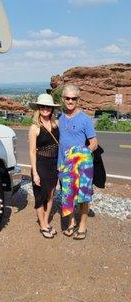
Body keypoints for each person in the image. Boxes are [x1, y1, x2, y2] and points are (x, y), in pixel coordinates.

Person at [58, 84, 98, 240]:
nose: (70, 101)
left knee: (83, 197)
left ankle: (83, 225)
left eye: (73, 98)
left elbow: (93, 142)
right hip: (63, 166)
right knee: (67, 195)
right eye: (67, 98)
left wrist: (81, 153)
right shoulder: (59, 117)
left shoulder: (85, 119)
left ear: (78, 100)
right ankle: (71, 223)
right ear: (63, 99)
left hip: (81, 166)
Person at [29, 93, 60, 239]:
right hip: (40, 165)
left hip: (54, 165)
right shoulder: (35, 127)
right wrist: (35, 173)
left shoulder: (56, 124)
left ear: (52, 109)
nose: (45, 109)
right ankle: (42, 226)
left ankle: (46, 222)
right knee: (40, 196)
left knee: (50, 195)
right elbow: (32, 153)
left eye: (48, 107)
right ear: (38, 108)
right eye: (42, 106)